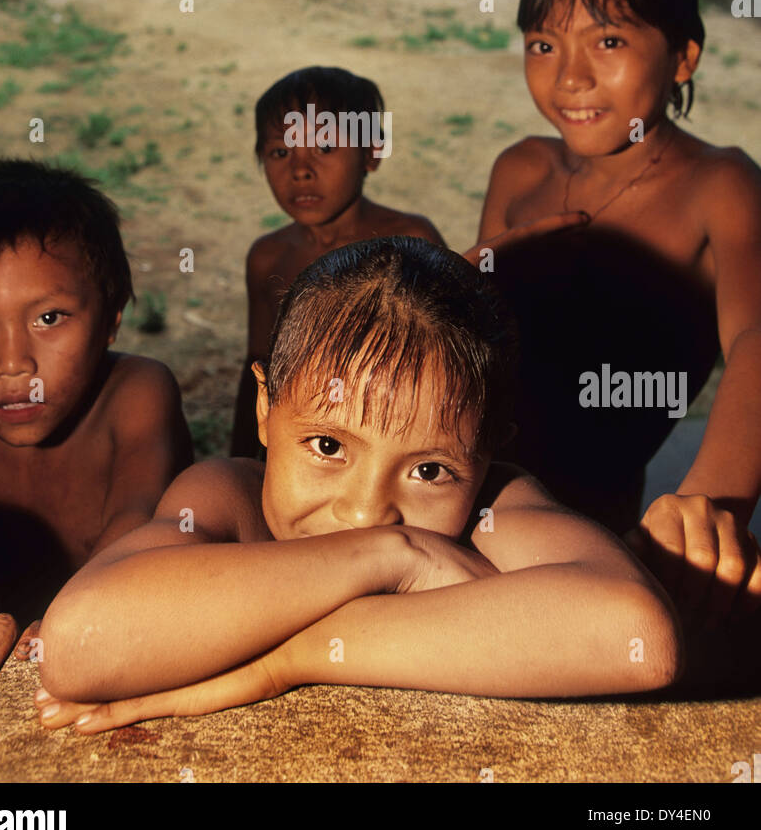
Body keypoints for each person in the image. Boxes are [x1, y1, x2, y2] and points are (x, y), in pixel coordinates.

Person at [34, 238, 681, 733]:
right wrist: (395, 556)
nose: (368, 511)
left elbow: (638, 640)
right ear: (264, 410)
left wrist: (286, 661)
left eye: (429, 470)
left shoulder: (494, 508)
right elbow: (77, 646)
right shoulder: (226, 500)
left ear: (486, 456)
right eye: (328, 446)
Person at [474, 0, 761, 631]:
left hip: (591, 540)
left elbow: (758, 341)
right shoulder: (520, 170)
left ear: (684, 58)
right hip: (455, 499)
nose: (570, 75)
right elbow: (462, 356)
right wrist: (458, 277)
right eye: (543, 44)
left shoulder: (718, 185)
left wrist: (708, 509)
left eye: (609, 41)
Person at [0, 158, 192, 692]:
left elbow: (135, 522)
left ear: (111, 318)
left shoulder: (137, 393)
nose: (12, 362)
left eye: (48, 318)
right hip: (10, 662)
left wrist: (76, 619)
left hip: (139, 642)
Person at [230, 66, 444, 456]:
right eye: (280, 152)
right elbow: (258, 369)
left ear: (371, 154)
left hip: (395, 441)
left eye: (325, 148)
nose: (300, 171)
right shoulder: (268, 258)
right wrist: (245, 459)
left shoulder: (412, 242)